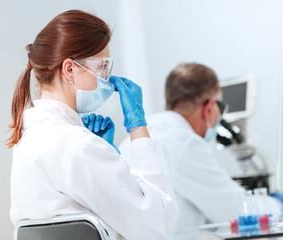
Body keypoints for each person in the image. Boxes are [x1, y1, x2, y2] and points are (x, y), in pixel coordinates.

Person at [6, 10, 178, 240]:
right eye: (103, 67)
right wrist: (138, 128)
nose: (107, 79)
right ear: (70, 69)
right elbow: (158, 225)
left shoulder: (28, 139)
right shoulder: (76, 144)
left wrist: (107, 157)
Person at [119, 63, 282, 237]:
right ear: (210, 108)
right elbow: (235, 210)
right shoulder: (185, 142)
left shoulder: (139, 134)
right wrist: (277, 203)